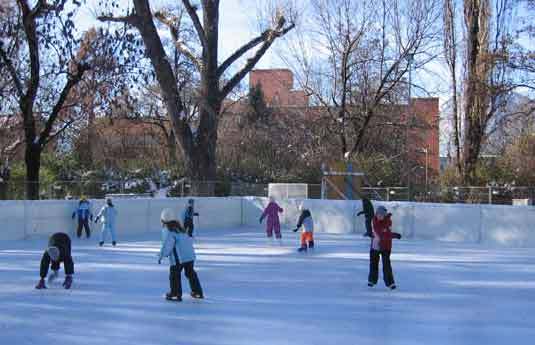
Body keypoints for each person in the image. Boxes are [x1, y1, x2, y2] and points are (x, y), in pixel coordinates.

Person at [159, 208, 204, 301]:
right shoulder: (180, 228)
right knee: (191, 273)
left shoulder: (168, 231)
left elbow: (167, 245)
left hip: (179, 258)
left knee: (174, 275)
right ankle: (197, 292)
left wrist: (161, 255)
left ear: (163, 220)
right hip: (190, 256)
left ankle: (175, 294)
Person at [367, 206, 401, 290]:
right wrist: (369, 233)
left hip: (385, 246)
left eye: (382, 214)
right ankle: (372, 281)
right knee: (373, 264)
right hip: (375, 246)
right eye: (378, 214)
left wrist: (393, 235)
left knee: (386, 265)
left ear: (385, 215)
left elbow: (386, 233)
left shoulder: (388, 221)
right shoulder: (374, 220)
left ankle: (390, 283)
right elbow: (378, 231)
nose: (380, 216)